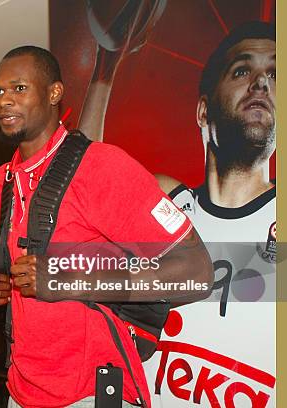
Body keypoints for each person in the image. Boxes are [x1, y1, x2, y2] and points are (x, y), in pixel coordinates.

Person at [0, 46, 212, 408]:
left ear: (54, 93)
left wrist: (65, 281)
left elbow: (196, 273)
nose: (5, 100)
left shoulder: (101, 167)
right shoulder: (2, 183)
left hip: (92, 393)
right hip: (21, 390)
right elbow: (29, 279)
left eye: (19, 88)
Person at [77, 21, 276, 406]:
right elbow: (83, 180)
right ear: (203, 111)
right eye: (242, 70)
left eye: (273, 74)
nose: (261, 83)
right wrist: (107, 66)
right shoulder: (167, 202)